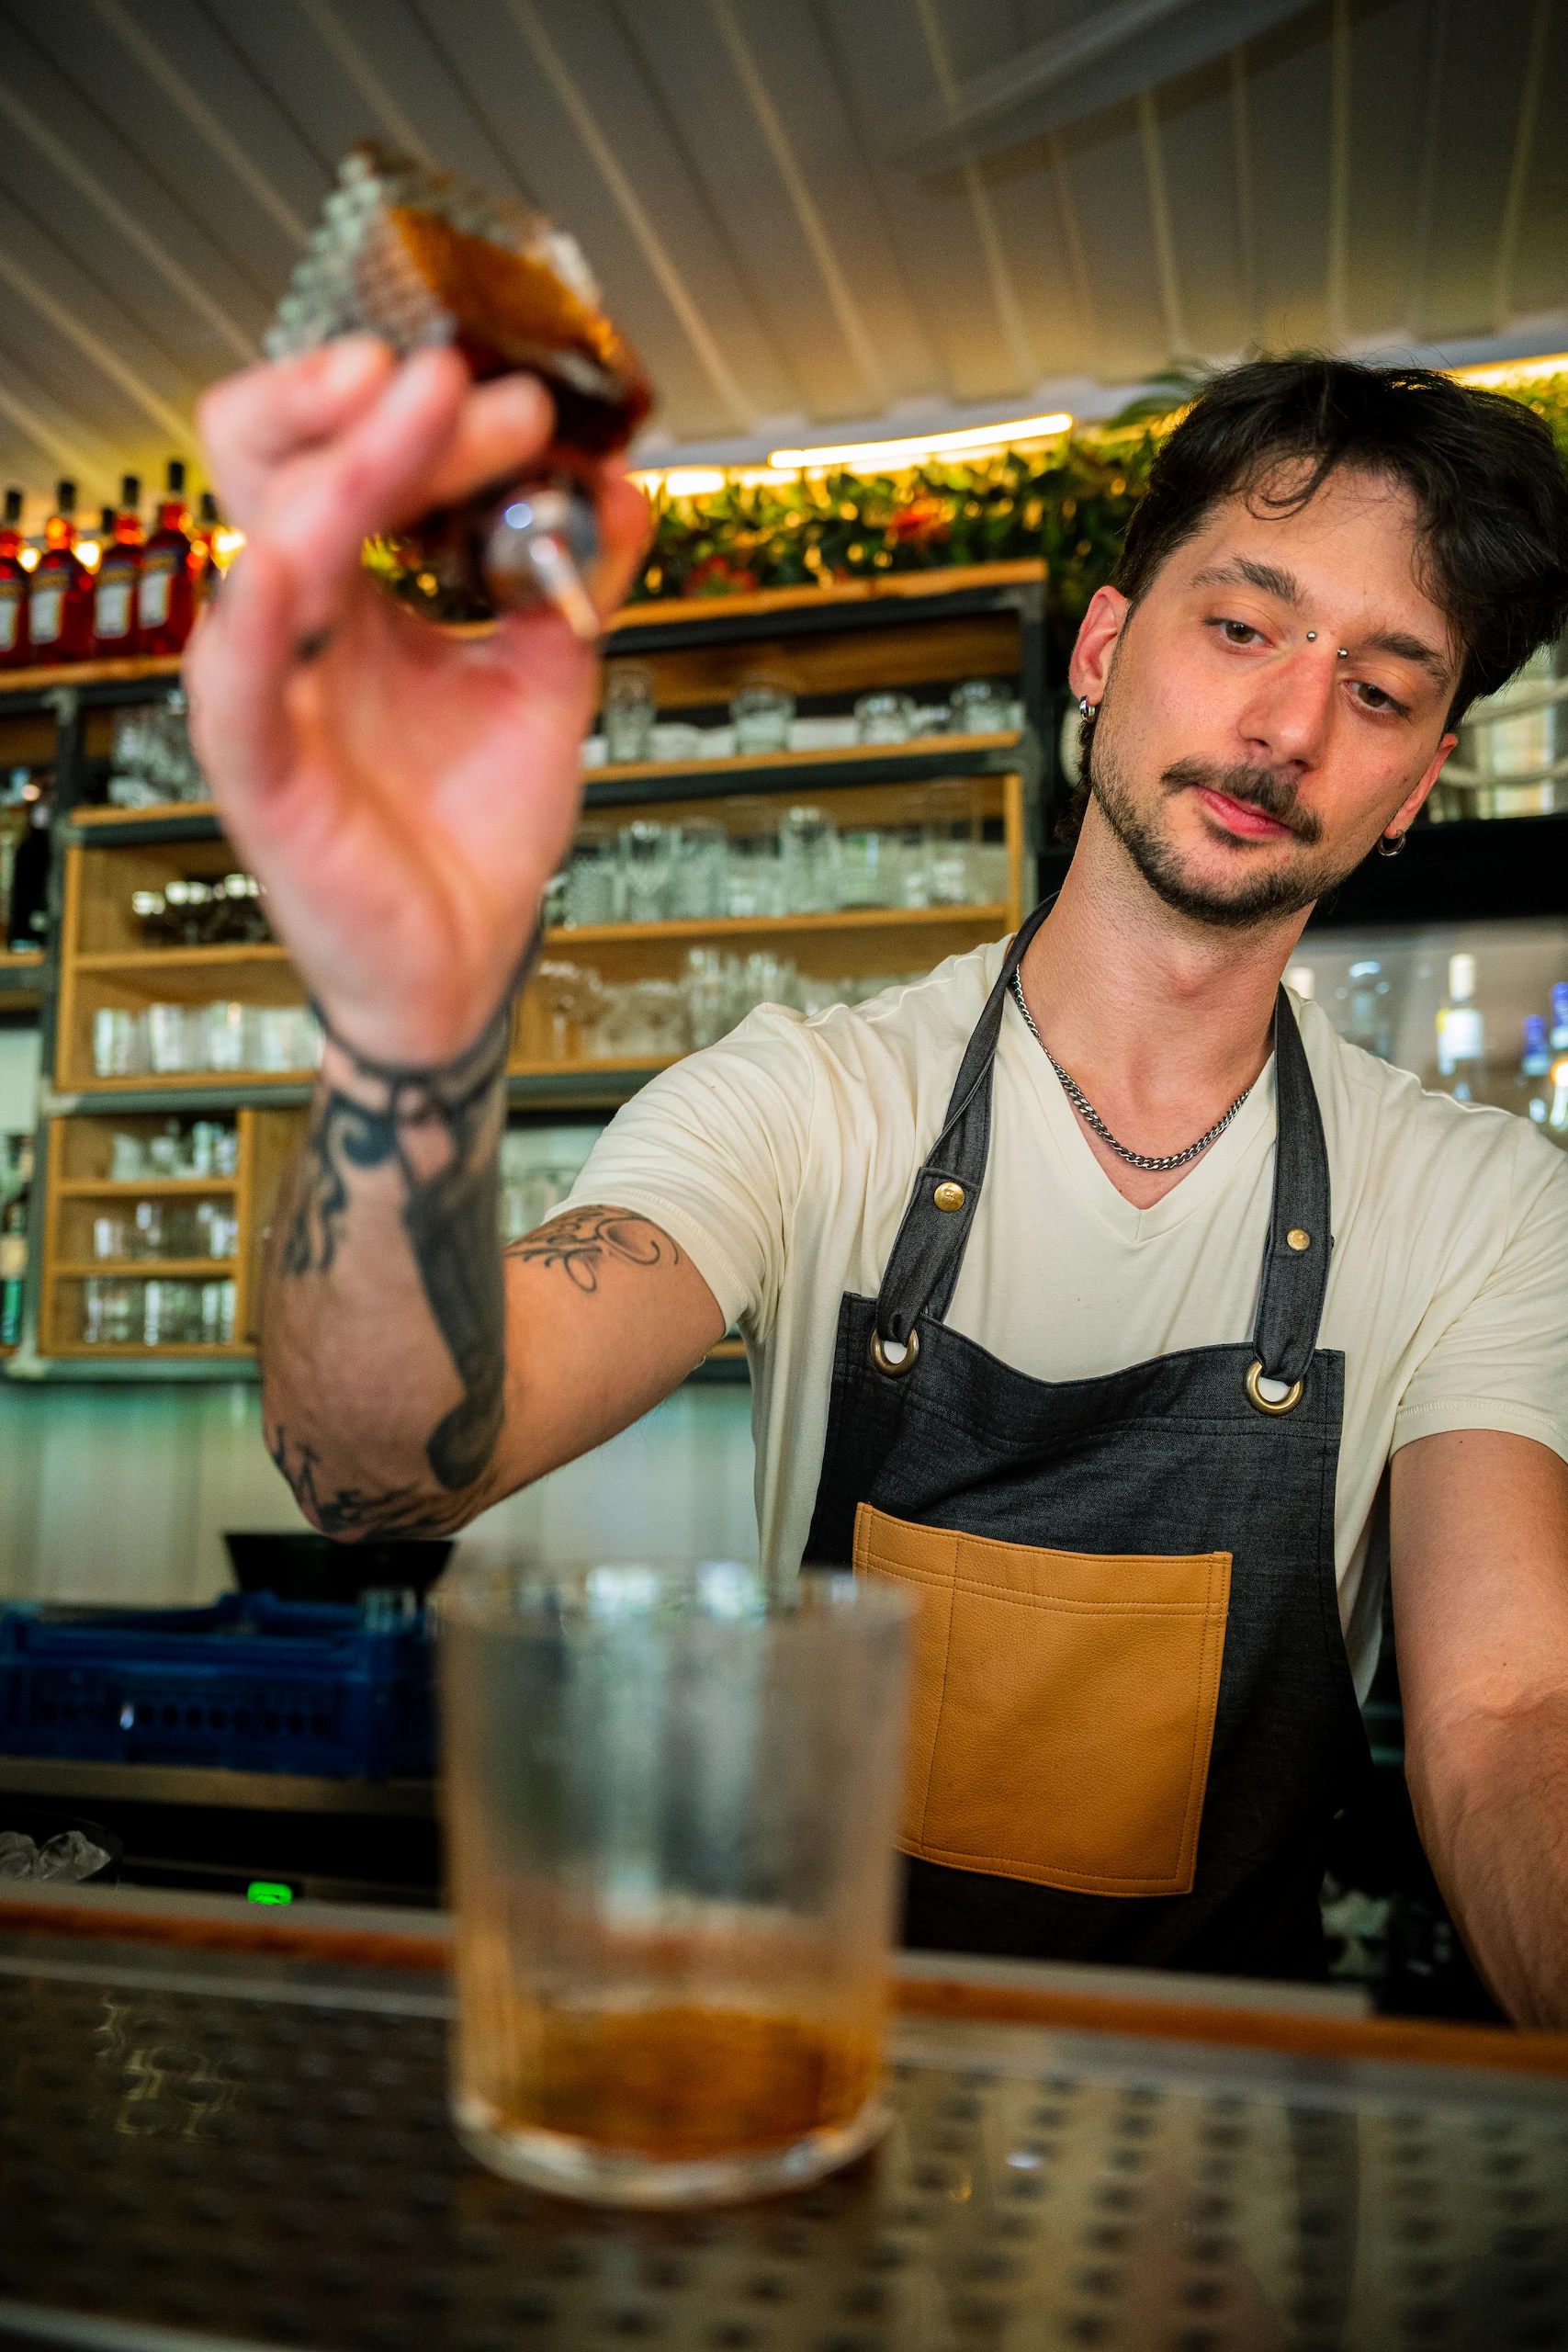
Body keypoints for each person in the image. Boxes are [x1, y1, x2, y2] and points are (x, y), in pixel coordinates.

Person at [188, 349, 1568, 2022]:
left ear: (1417, 784)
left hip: (1223, 2164)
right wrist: (400, 1028)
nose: (1286, 724)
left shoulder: (1478, 1203)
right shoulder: (812, 1104)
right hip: (829, 2097)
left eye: (1377, 687)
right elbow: (381, 1467)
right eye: (1241, 624)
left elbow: (1505, 1723)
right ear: (1106, 646)